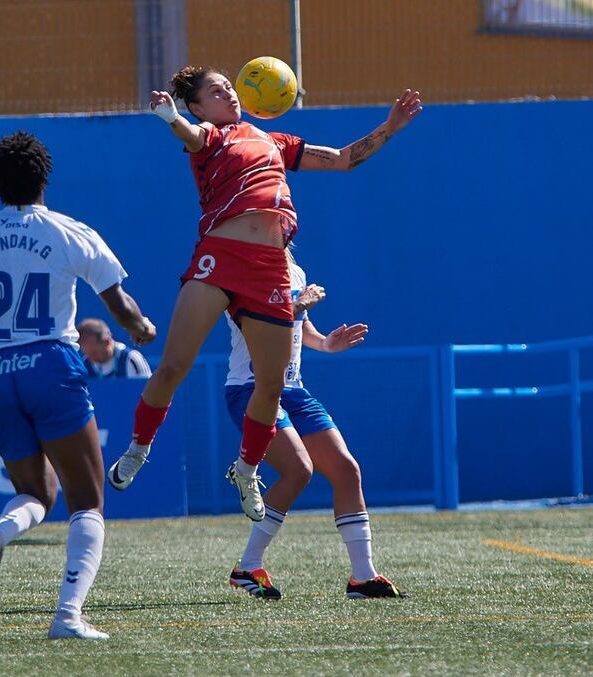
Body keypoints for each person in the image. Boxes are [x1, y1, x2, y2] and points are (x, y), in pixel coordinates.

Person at [107, 65, 422, 522]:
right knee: (174, 365)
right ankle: (138, 448)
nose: (229, 94)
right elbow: (193, 137)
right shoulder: (210, 137)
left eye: (229, 87)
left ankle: (246, 468)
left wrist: (389, 128)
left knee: (271, 384)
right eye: (216, 91)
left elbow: (341, 159)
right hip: (221, 254)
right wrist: (169, 117)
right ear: (197, 107)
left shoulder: (273, 140)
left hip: (271, 266)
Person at [0, 131, 155, 640]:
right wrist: (139, 328)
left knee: (35, 492)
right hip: (51, 360)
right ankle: (68, 617)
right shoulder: (67, 231)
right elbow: (118, 303)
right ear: (44, 178)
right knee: (88, 500)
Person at [225, 256, 405, 599]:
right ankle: (247, 567)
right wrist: (297, 306)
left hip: (293, 389)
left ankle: (363, 577)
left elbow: (298, 327)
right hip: (252, 388)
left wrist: (324, 343)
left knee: (346, 469)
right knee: (298, 470)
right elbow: (257, 324)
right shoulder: (238, 267)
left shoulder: (295, 271)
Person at [77, 318, 152, 378]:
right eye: (86, 353)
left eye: (94, 353)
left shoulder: (131, 359)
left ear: (107, 342)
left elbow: (147, 393)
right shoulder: (84, 366)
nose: (90, 359)